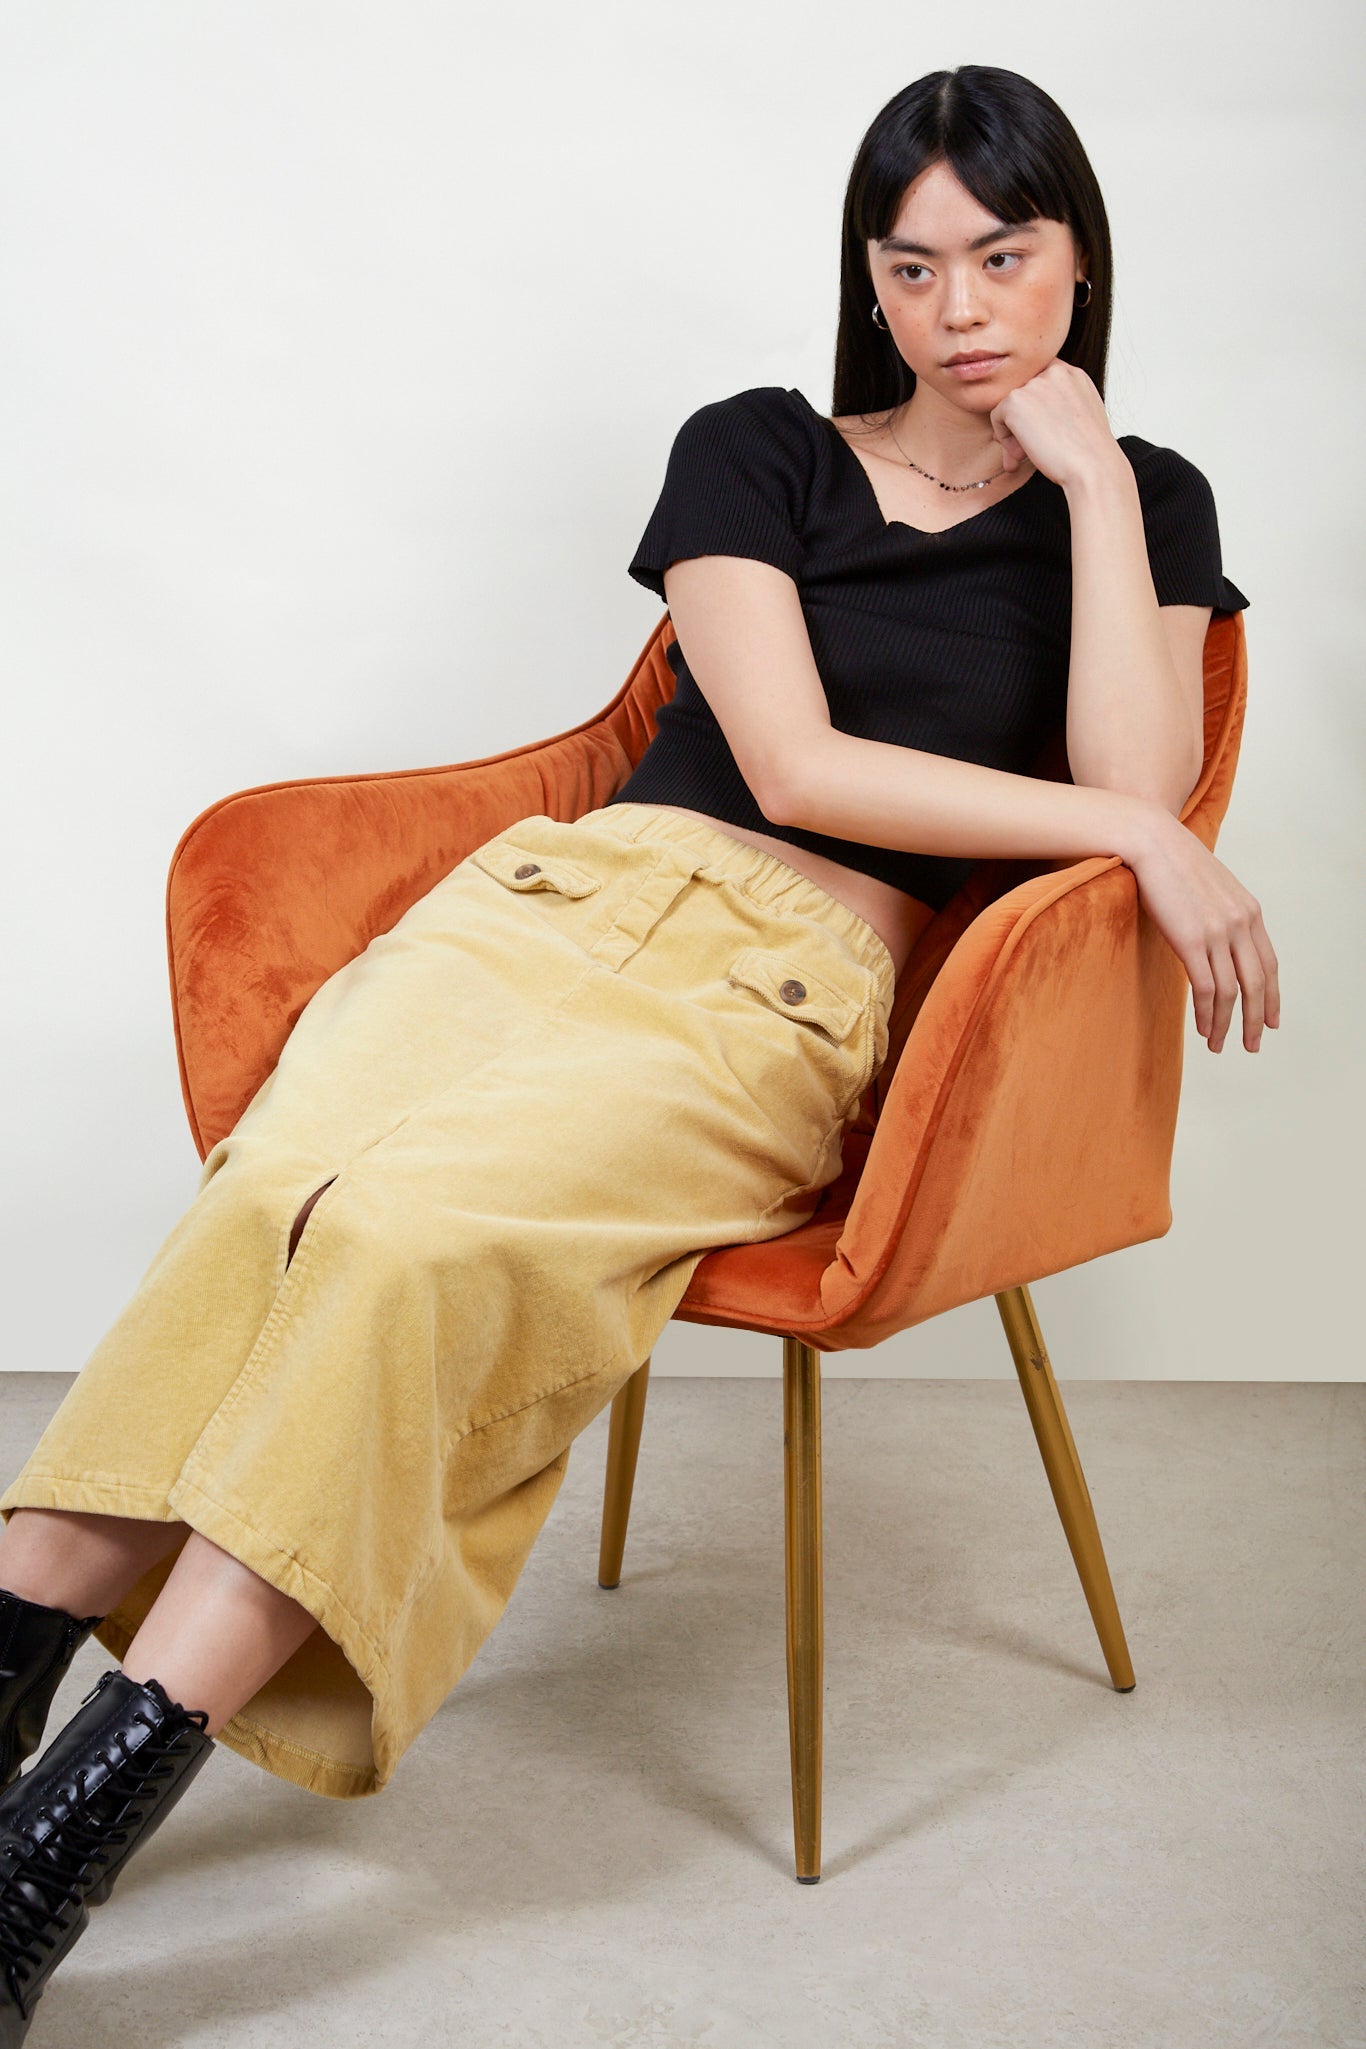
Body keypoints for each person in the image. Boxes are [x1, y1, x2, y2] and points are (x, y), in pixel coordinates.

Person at [0, 61, 1278, 2041]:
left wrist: (1095, 489)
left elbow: (1131, 786)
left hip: (782, 996)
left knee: (408, 1246)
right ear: (865, 276)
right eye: (911, 266)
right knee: (275, 1195)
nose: (957, 310)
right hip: (552, 904)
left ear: (1076, 261)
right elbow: (791, 761)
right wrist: (1143, 833)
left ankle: (42, 1865)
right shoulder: (755, 446)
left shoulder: (1149, 502)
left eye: (1002, 258)